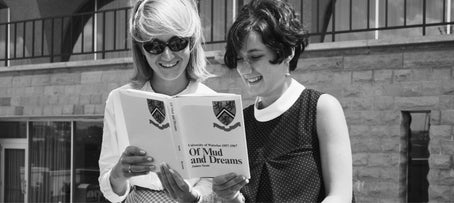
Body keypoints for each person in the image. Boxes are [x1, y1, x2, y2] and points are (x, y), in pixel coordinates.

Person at [212, 0, 353, 202]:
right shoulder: (239, 122)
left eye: (255, 56)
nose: (244, 69)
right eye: (240, 59)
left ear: (287, 52)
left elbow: (340, 196)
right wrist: (228, 196)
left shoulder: (321, 108)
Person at [98, 0, 216, 202]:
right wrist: (119, 174)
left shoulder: (212, 102)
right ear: (141, 49)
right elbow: (110, 187)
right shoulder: (119, 100)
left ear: (192, 41)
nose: (168, 55)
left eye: (178, 43)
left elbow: (213, 179)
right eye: (154, 46)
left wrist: (194, 197)